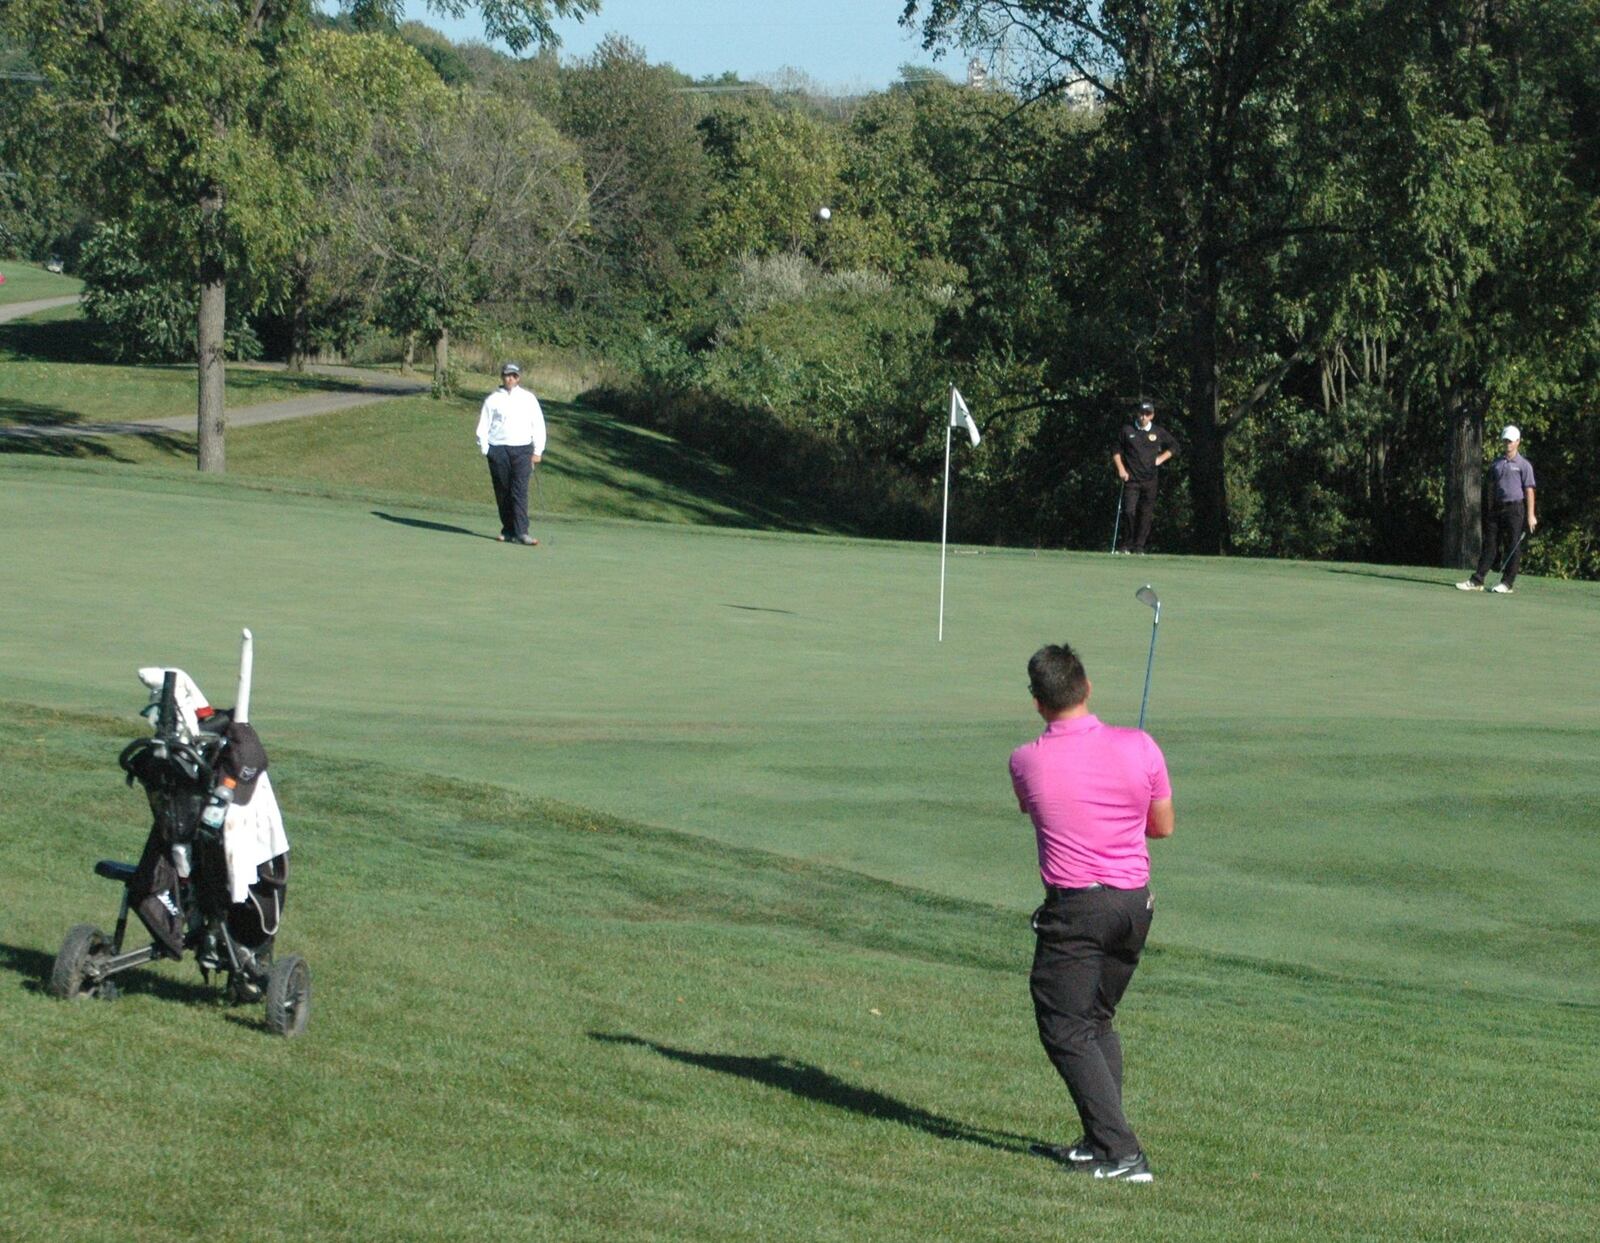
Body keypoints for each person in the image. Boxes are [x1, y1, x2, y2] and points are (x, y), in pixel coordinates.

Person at [1009, 643, 1174, 1183]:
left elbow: (1037, 808)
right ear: (1087, 688)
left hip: (1079, 909)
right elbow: (1161, 826)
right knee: (1095, 1021)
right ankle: (1100, 1139)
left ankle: (1124, 1153)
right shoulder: (1141, 745)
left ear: (1038, 703)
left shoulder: (1026, 759)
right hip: (1134, 906)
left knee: (1063, 1025)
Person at [1457, 425, 1536, 594]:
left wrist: (1531, 515)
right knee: (1490, 544)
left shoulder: (1524, 465)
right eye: (1505, 440)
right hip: (1497, 508)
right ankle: (1477, 580)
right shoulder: (1497, 463)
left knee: (1513, 544)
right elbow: (1491, 487)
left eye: (1510, 441)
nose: (1507, 444)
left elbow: (1529, 490)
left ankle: (1507, 583)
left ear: (1518, 442)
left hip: (1515, 508)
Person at [475, 363, 547, 545]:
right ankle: (507, 530)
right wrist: (486, 449)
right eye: (507, 375)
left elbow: (538, 425)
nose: (510, 379)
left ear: (518, 378)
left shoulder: (528, 399)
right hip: (498, 449)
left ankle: (522, 532)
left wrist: (538, 451)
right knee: (503, 491)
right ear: (502, 377)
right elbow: (483, 427)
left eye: (514, 376)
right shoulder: (492, 400)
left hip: (523, 449)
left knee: (519, 491)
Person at [1113, 402, 1177, 555]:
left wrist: (1161, 459)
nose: (1143, 417)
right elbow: (1116, 451)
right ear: (1137, 413)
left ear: (1152, 415)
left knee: (1145, 514)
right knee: (1129, 511)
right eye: (1142, 413)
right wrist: (1121, 469)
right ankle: (1126, 544)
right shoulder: (1127, 430)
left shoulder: (1158, 432)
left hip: (1150, 480)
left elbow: (1175, 446)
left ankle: (1139, 547)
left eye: (1147, 414)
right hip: (1131, 479)